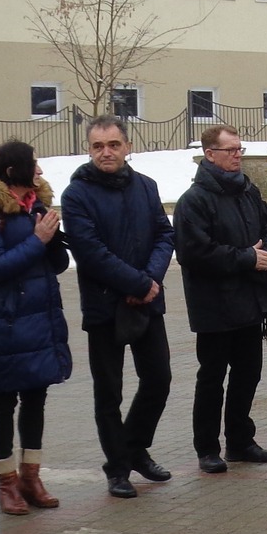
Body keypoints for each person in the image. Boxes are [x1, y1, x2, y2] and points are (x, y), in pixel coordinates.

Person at [61, 117, 175, 498]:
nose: (106, 152)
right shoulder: (76, 195)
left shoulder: (146, 186)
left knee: (158, 380)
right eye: (98, 146)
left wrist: (151, 279)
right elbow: (90, 252)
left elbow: (164, 234)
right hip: (105, 306)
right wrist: (137, 284)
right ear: (89, 150)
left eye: (113, 144)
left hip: (147, 304)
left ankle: (135, 448)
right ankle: (118, 468)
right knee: (109, 393)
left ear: (127, 146)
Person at [175, 126, 267, 473]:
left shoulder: (247, 191)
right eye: (230, 150)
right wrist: (246, 257)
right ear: (210, 154)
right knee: (212, 379)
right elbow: (194, 253)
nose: (238, 155)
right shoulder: (194, 200)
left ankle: (240, 441)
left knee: (248, 374)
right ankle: (207, 448)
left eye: (240, 149)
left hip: (251, 302)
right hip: (214, 306)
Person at [0, 140, 69, 514]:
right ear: (12, 171)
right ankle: (6, 482)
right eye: (33, 164)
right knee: (3, 401)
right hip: (6, 320)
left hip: (40, 318)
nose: (40, 170)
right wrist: (37, 240)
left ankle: (31, 477)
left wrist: (53, 241)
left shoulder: (38, 205)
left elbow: (58, 265)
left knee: (36, 396)